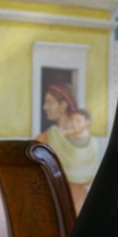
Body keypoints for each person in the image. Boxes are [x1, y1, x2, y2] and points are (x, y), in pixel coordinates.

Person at [34, 83, 98, 211]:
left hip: (75, 202)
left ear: (63, 105)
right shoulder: (50, 135)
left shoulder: (50, 137)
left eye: (49, 102)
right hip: (64, 201)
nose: (44, 107)